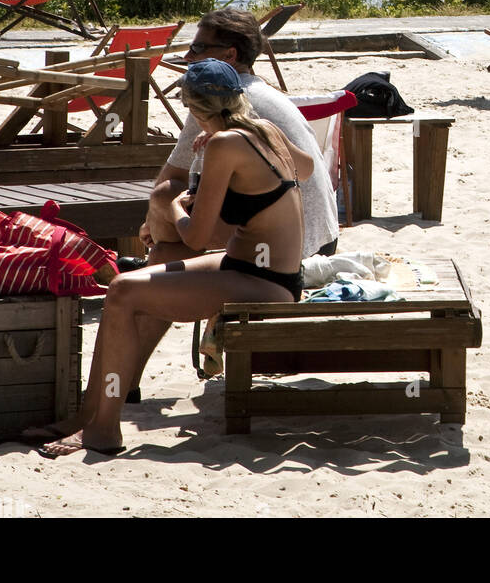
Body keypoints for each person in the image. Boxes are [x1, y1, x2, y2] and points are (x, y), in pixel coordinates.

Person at [27, 58, 315, 457]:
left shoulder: (224, 143)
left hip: (260, 283)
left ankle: (103, 430)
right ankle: (88, 415)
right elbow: (308, 165)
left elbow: (194, 238)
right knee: (143, 279)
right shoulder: (262, 130)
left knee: (122, 292)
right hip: (264, 271)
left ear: (195, 111)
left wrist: (176, 206)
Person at [123, 8, 339, 397]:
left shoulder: (214, 96)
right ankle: (130, 379)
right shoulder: (258, 94)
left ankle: (127, 381)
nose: (188, 57)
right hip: (315, 234)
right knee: (167, 237)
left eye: (198, 47)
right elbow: (305, 168)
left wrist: (153, 224)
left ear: (230, 56)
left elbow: (170, 179)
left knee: (164, 244)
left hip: (277, 254)